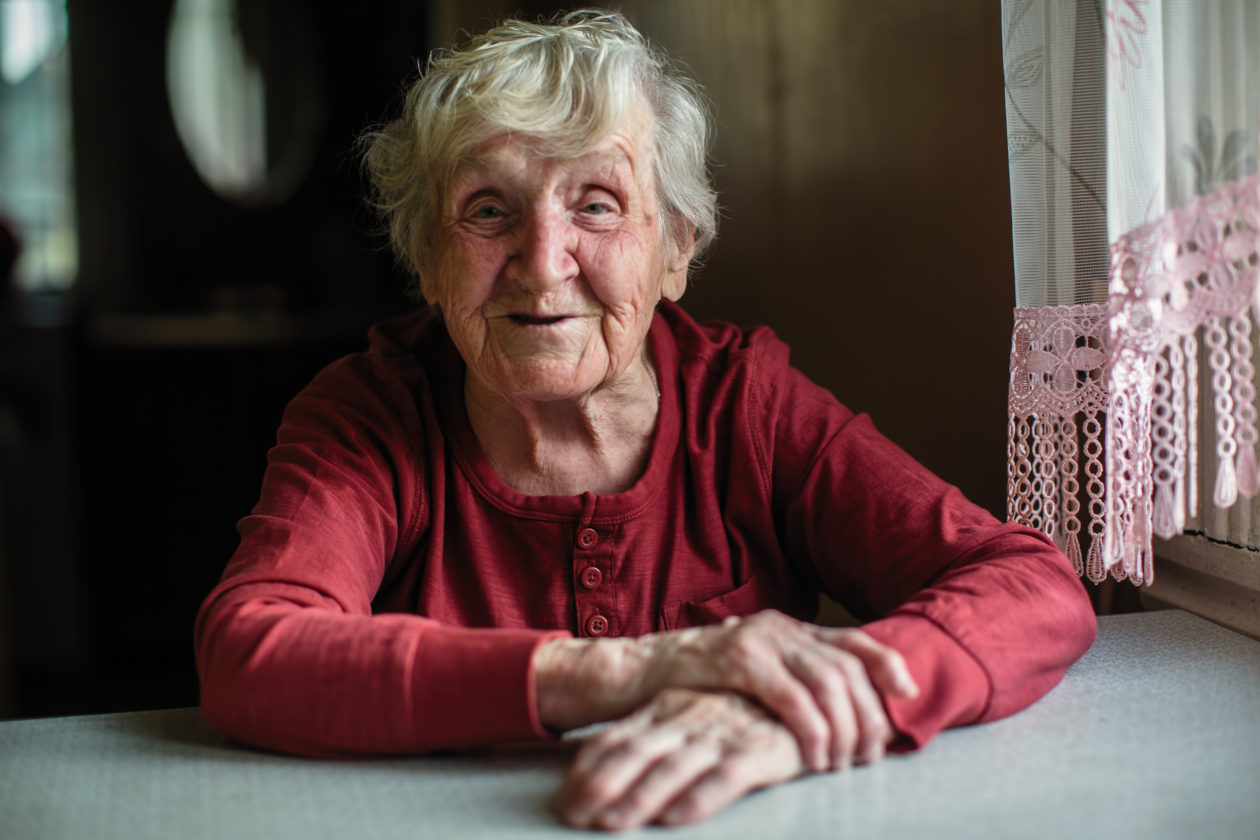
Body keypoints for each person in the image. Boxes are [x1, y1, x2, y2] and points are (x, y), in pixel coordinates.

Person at [195, 9, 1096, 831]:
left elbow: (1030, 588)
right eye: (487, 212)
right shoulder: (370, 418)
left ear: (676, 249)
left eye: (596, 204)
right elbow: (252, 650)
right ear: (426, 260)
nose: (543, 266)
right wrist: (632, 672)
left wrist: (789, 715)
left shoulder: (746, 405)